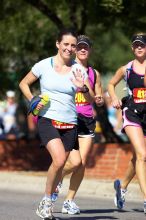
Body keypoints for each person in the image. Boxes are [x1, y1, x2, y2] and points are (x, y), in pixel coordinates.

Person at [19, 28, 95, 220]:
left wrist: (83, 87)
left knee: (67, 164)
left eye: (73, 45)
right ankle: (46, 201)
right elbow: (24, 83)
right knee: (60, 160)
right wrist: (33, 99)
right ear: (58, 44)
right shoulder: (44, 65)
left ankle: (49, 200)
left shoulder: (79, 69)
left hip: (70, 122)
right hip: (47, 119)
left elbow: (91, 99)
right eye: (66, 44)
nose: (69, 48)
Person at [51, 35, 104, 214]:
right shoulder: (67, 68)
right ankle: (58, 178)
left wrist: (99, 99)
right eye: (79, 47)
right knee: (74, 162)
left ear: (89, 50)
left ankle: (69, 201)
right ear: (74, 50)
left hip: (87, 120)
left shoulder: (94, 73)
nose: (82, 50)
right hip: (70, 119)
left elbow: (98, 97)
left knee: (81, 163)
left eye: (85, 47)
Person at [108, 32, 146, 214]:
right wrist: (114, 97)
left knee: (138, 156)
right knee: (143, 155)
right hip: (132, 112)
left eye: (143, 45)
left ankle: (121, 187)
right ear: (132, 48)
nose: (139, 47)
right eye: (136, 45)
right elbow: (110, 85)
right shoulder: (126, 69)